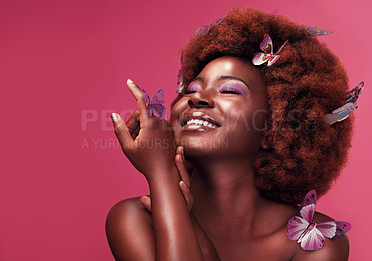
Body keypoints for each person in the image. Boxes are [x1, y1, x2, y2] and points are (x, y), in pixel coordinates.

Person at [106, 8, 353, 261]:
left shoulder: (313, 243)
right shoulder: (135, 218)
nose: (197, 98)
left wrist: (165, 178)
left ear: (274, 129)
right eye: (191, 89)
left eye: (230, 90)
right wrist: (163, 174)